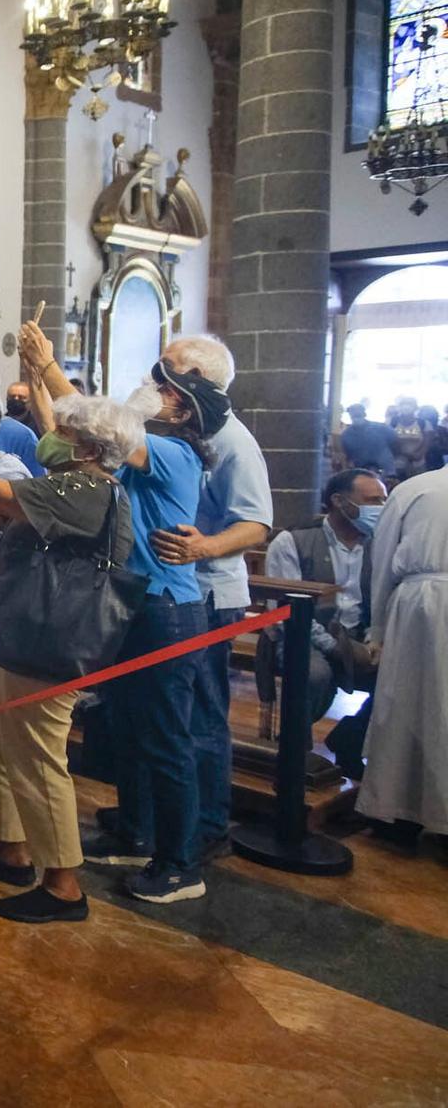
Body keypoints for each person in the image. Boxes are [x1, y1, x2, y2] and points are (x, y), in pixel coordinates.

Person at [29, 326, 220, 904]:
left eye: (159, 380)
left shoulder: (174, 451)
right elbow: (70, 437)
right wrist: (41, 378)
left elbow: (100, 424)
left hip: (166, 607)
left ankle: (181, 863)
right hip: (136, 603)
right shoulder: (144, 450)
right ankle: (138, 834)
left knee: (166, 738)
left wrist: (50, 364)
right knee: (132, 732)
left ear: (181, 406)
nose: (147, 384)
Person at [0, 388, 143, 924]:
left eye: (64, 431)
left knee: (38, 756)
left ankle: (61, 883)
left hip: (51, 642)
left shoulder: (90, 488)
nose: (50, 436)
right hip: (27, 635)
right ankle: (10, 847)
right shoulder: (71, 482)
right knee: (5, 747)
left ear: (86, 449)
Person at [144, 336, 272, 863]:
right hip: (179, 591)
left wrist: (205, 546)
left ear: (197, 376)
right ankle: (174, 819)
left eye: (168, 370)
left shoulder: (233, 440)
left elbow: (257, 522)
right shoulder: (183, 432)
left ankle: (211, 824)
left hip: (212, 592)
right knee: (172, 715)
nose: (157, 379)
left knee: (203, 713)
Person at [265, 468, 385, 772]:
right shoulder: (293, 540)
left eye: (383, 500)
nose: (380, 509)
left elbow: (380, 600)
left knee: (401, 675)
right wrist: (332, 646)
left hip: (356, 634)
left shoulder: (379, 544)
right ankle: (293, 754)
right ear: (339, 501)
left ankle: (349, 739)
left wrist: (373, 640)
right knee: (312, 673)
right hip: (303, 635)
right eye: (372, 501)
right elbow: (285, 608)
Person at [359, 462, 448, 845]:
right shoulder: (415, 488)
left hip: (419, 607)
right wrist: (378, 628)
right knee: (411, 707)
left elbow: (381, 564)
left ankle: (398, 813)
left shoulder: (415, 488)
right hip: (420, 604)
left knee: (407, 708)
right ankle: (401, 810)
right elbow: (382, 559)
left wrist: (377, 626)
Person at [341, 402, 397, 475]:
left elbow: (394, 442)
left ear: (364, 414)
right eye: (354, 414)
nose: (356, 416)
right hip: (362, 467)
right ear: (350, 415)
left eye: (358, 414)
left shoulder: (381, 428)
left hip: (385, 466)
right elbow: (348, 454)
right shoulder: (346, 434)